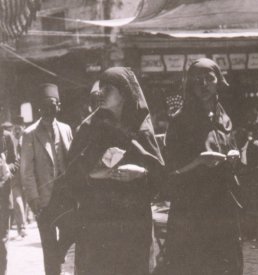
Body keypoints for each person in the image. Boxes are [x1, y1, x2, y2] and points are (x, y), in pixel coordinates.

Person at [66, 67, 164, 275]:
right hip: (98, 220)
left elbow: (160, 177)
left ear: (124, 92)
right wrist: (95, 174)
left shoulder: (142, 129)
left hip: (134, 221)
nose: (100, 93)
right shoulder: (89, 128)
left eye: (108, 89)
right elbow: (71, 175)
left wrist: (141, 173)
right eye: (100, 88)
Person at [164, 58, 243, 275]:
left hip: (222, 202)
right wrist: (198, 161)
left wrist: (234, 154)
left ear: (218, 81)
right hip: (193, 204)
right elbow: (170, 167)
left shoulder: (223, 116)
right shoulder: (180, 120)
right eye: (198, 80)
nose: (204, 85)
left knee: (226, 260)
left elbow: (231, 147)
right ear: (190, 85)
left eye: (209, 79)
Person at [21, 83, 73, 275]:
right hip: (44, 198)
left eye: (53, 104)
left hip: (65, 196)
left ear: (59, 106)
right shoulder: (30, 134)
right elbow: (26, 171)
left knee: (74, 229)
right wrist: (34, 200)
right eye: (45, 105)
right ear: (40, 108)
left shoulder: (66, 129)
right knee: (48, 245)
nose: (49, 109)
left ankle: (58, 254)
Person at [0, 123, 18, 275]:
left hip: (3, 196)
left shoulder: (6, 136)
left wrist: (7, 168)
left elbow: (16, 162)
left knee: (2, 240)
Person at [10, 116, 27, 238]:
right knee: (18, 199)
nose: (16, 132)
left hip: (26, 173)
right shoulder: (11, 141)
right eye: (15, 129)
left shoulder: (27, 139)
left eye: (19, 129)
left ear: (23, 128)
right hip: (16, 174)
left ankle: (22, 225)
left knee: (23, 200)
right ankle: (22, 227)